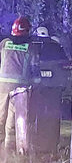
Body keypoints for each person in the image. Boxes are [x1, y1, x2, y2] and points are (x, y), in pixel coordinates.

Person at [0, 16, 40, 152]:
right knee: (12, 122)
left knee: (0, 117)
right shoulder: (31, 48)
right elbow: (35, 70)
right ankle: (8, 152)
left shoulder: (4, 43)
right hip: (19, 89)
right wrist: (37, 84)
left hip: (2, 86)